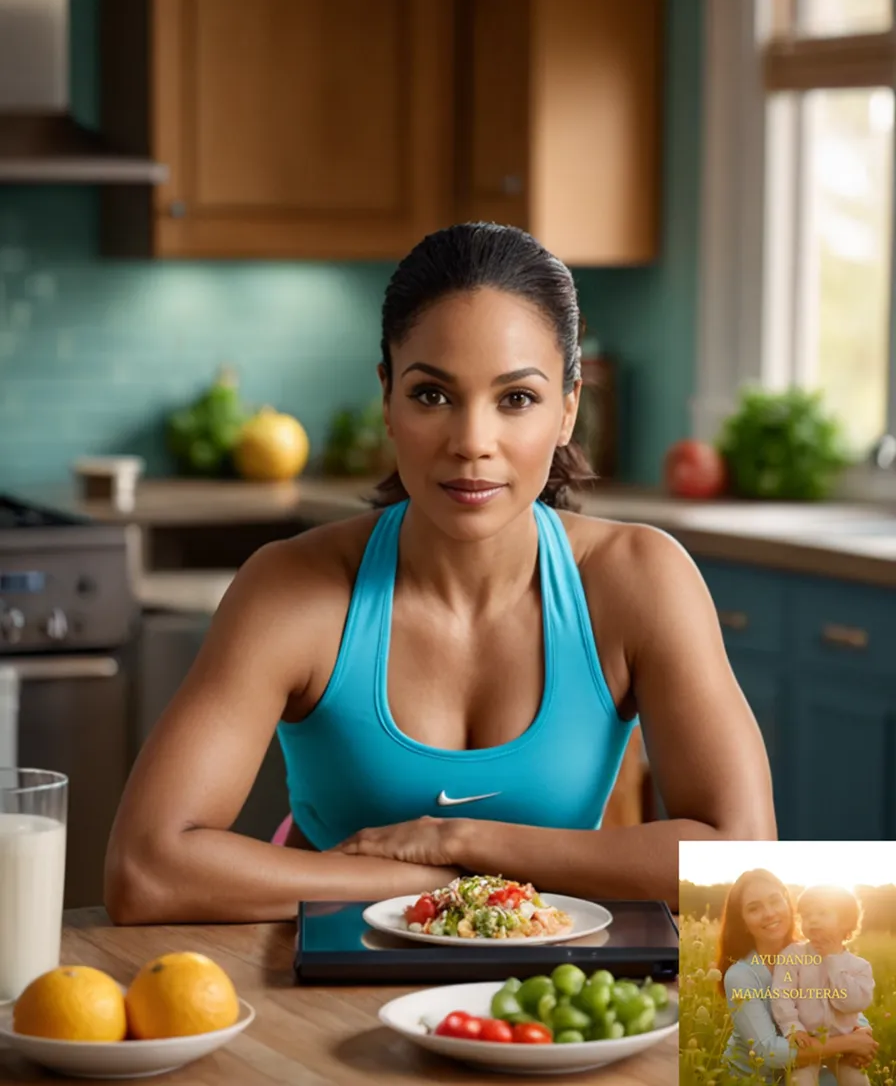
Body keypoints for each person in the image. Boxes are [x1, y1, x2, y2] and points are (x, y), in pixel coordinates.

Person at [105, 222, 776, 926]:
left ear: (568, 408)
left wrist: (462, 838)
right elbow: (145, 870)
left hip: (544, 996)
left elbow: (745, 863)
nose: (472, 444)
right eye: (433, 395)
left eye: (516, 399)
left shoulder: (640, 580)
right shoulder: (291, 590)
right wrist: (440, 882)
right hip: (313, 991)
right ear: (387, 399)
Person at [717, 870, 878, 1084]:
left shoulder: (816, 951)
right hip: (756, 1078)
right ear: (743, 922)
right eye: (754, 908)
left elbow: (838, 1000)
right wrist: (849, 1043)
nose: (769, 913)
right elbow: (768, 1051)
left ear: (788, 904)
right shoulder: (741, 976)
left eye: (775, 901)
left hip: (809, 1063)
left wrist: (862, 1031)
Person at [771, 885, 874, 1086]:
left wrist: (833, 959)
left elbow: (852, 1004)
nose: (813, 920)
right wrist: (793, 1028)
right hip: (807, 1042)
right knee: (800, 1081)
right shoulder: (792, 956)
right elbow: (781, 995)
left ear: (846, 921)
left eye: (822, 913)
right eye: (807, 915)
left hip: (844, 1046)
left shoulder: (859, 966)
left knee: (858, 1081)